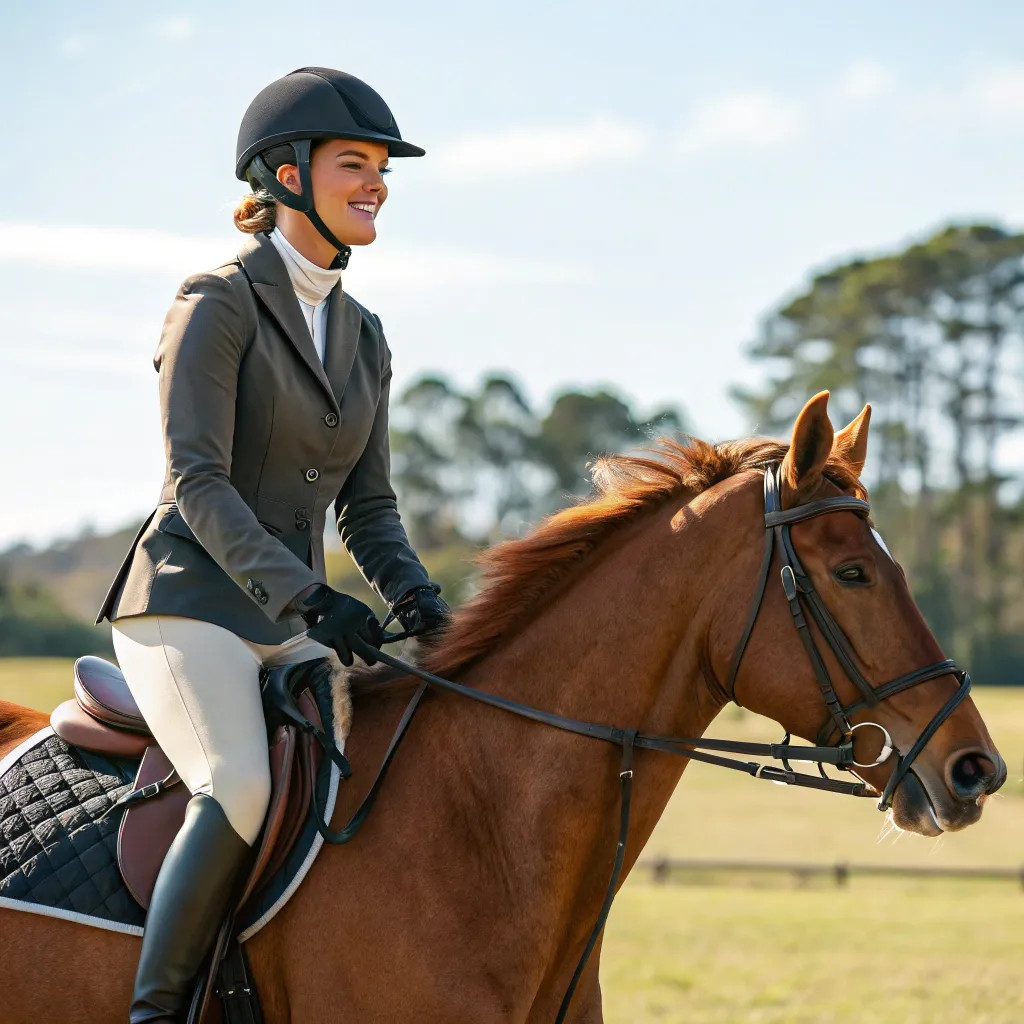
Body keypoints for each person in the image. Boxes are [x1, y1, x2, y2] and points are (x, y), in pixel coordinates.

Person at [96, 67, 449, 1023]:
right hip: (186, 606)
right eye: (354, 164)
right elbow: (197, 482)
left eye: (382, 169)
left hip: (288, 618)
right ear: (287, 175)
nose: (376, 183)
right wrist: (309, 599)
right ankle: (159, 1012)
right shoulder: (218, 302)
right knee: (239, 782)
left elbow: (368, 507)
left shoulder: (365, 334)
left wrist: (418, 597)